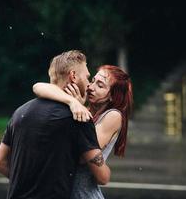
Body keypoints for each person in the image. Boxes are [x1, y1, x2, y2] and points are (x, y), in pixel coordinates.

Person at [0, 50, 111, 199]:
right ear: (73, 76)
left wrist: (28, 184)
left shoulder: (20, 112)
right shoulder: (79, 118)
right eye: (87, 77)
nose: (89, 84)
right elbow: (102, 177)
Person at [33, 65, 133, 199]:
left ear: (112, 97)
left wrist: (77, 105)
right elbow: (38, 87)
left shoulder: (113, 116)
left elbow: (83, 153)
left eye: (100, 85)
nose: (91, 87)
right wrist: (71, 101)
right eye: (92, 81)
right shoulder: (81, 108)